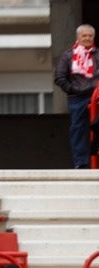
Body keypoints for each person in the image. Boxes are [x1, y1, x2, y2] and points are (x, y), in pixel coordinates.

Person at [55, 23, 98, 169]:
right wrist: (73, 89)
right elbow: (60, 77)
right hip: (77, 98)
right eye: (84, 35)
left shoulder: (97, 54)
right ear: (77, 37)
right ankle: (81, 162)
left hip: (97, 96)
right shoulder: (68, 55)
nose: (87, 38)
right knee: (78, 129)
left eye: (90, 36)